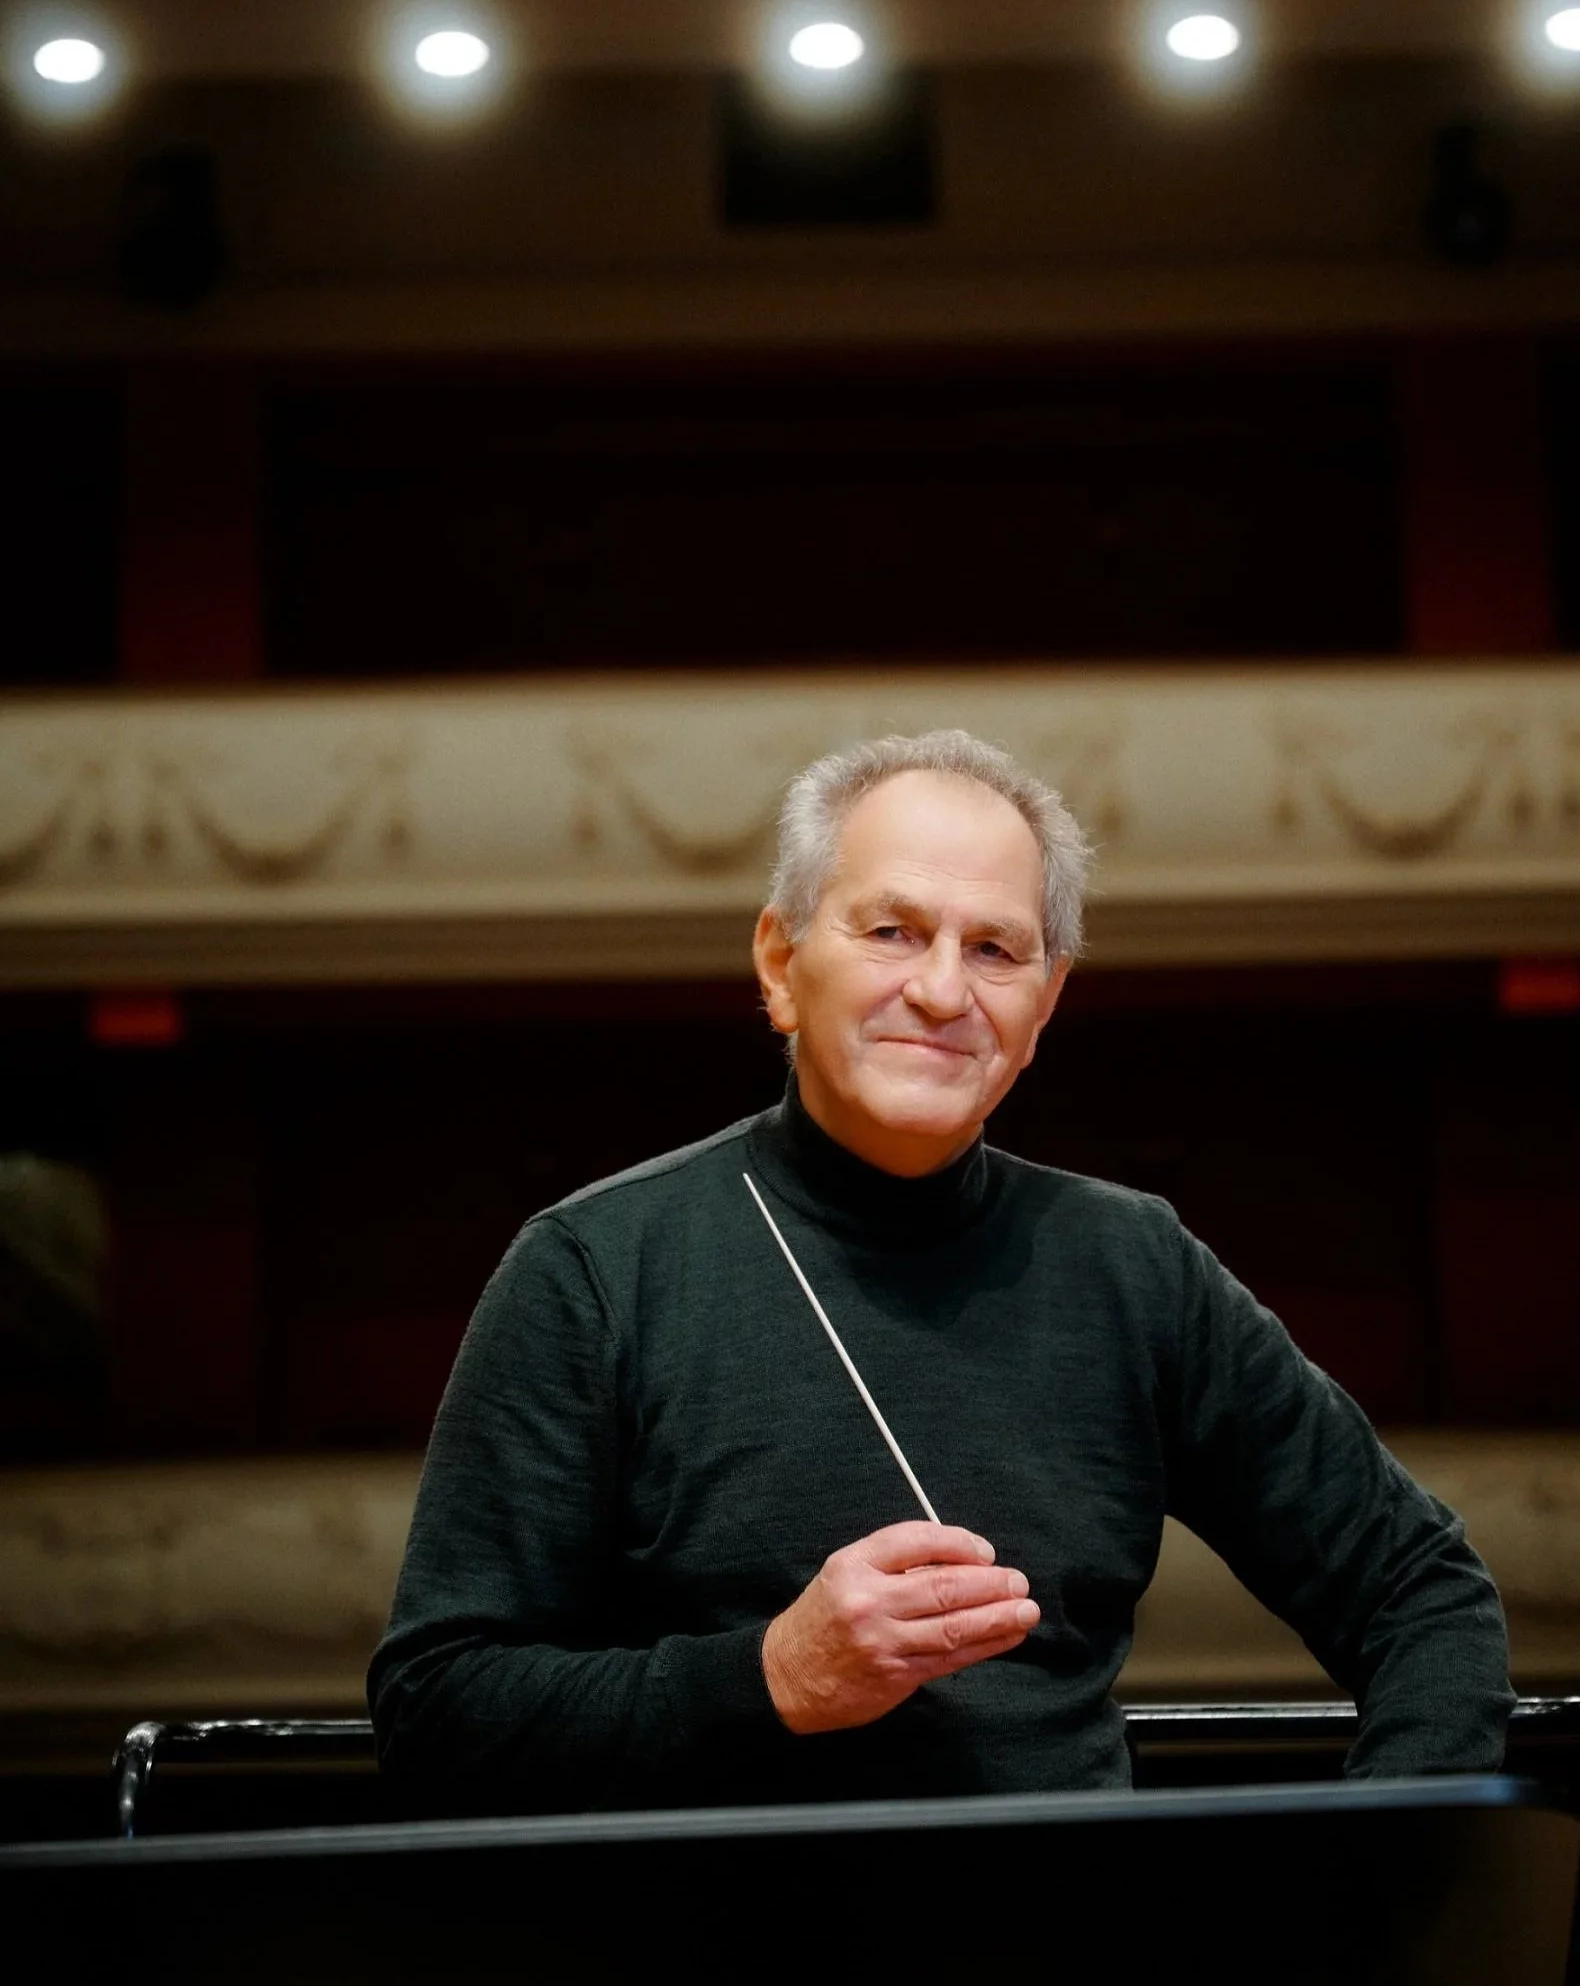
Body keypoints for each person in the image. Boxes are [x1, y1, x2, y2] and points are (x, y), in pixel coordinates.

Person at [368, 729, 1512, 1810]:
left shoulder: (1130, 1264)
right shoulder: (593, 1267)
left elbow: (1419, 1589)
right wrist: (767, 1675)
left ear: (1045, 1003)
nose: (941, 991)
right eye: (890, 932)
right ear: (778, 962)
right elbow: (436, 1712)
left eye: (995, 949)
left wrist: (1385, 1881)